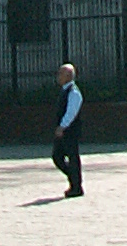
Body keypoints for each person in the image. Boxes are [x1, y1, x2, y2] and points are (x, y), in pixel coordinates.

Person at [51, 63, 84, 197]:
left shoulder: (73, 92)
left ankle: (76, 187)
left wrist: (62, 126)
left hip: (70, 130)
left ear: (68, 76)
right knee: (57, 156)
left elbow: (71, 112)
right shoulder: (65, 91)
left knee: (72, 157)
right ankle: (74, 179)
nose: (58, 76)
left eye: (60, 73)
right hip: (63, 130)